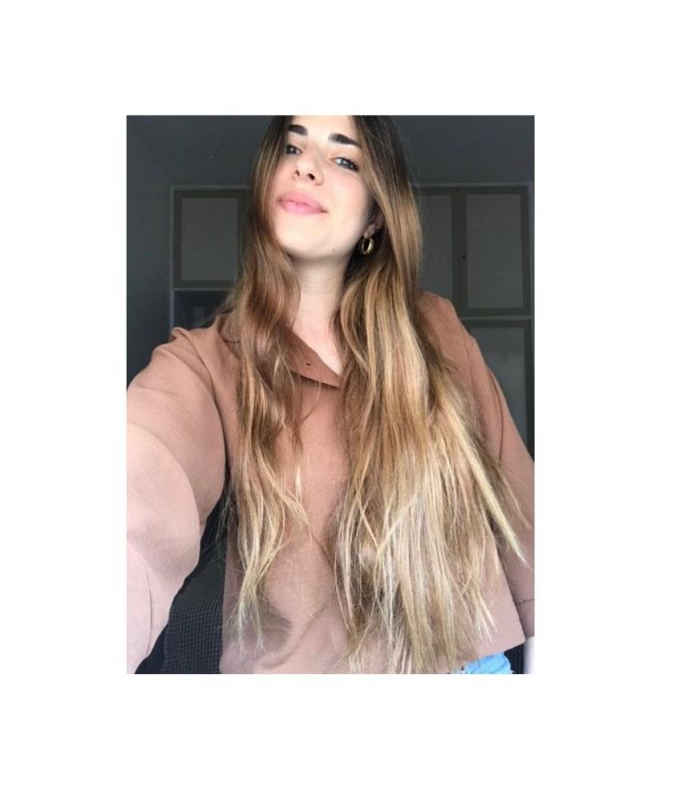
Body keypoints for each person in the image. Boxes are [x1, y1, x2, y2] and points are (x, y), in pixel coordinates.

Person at [127, 115, 534, 675]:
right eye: (292, 148)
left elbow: (519, 501)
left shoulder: (434, 329)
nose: (307, 167)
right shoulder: (204, 362)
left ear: (375, 218)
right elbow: (136, 492)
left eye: (344, 159)